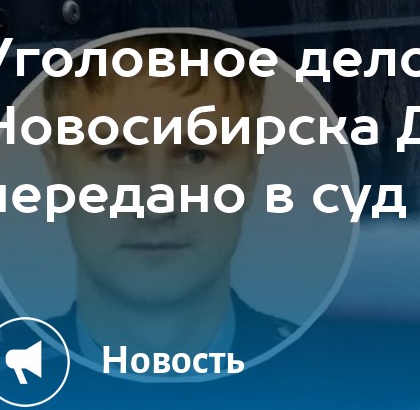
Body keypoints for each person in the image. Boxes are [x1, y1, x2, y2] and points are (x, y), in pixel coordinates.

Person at [39, 32, 296, 370]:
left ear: (251, 169)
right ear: (56, 170)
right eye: (115, 154)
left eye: (196, 155)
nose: (156, 205)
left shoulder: (344, 374)